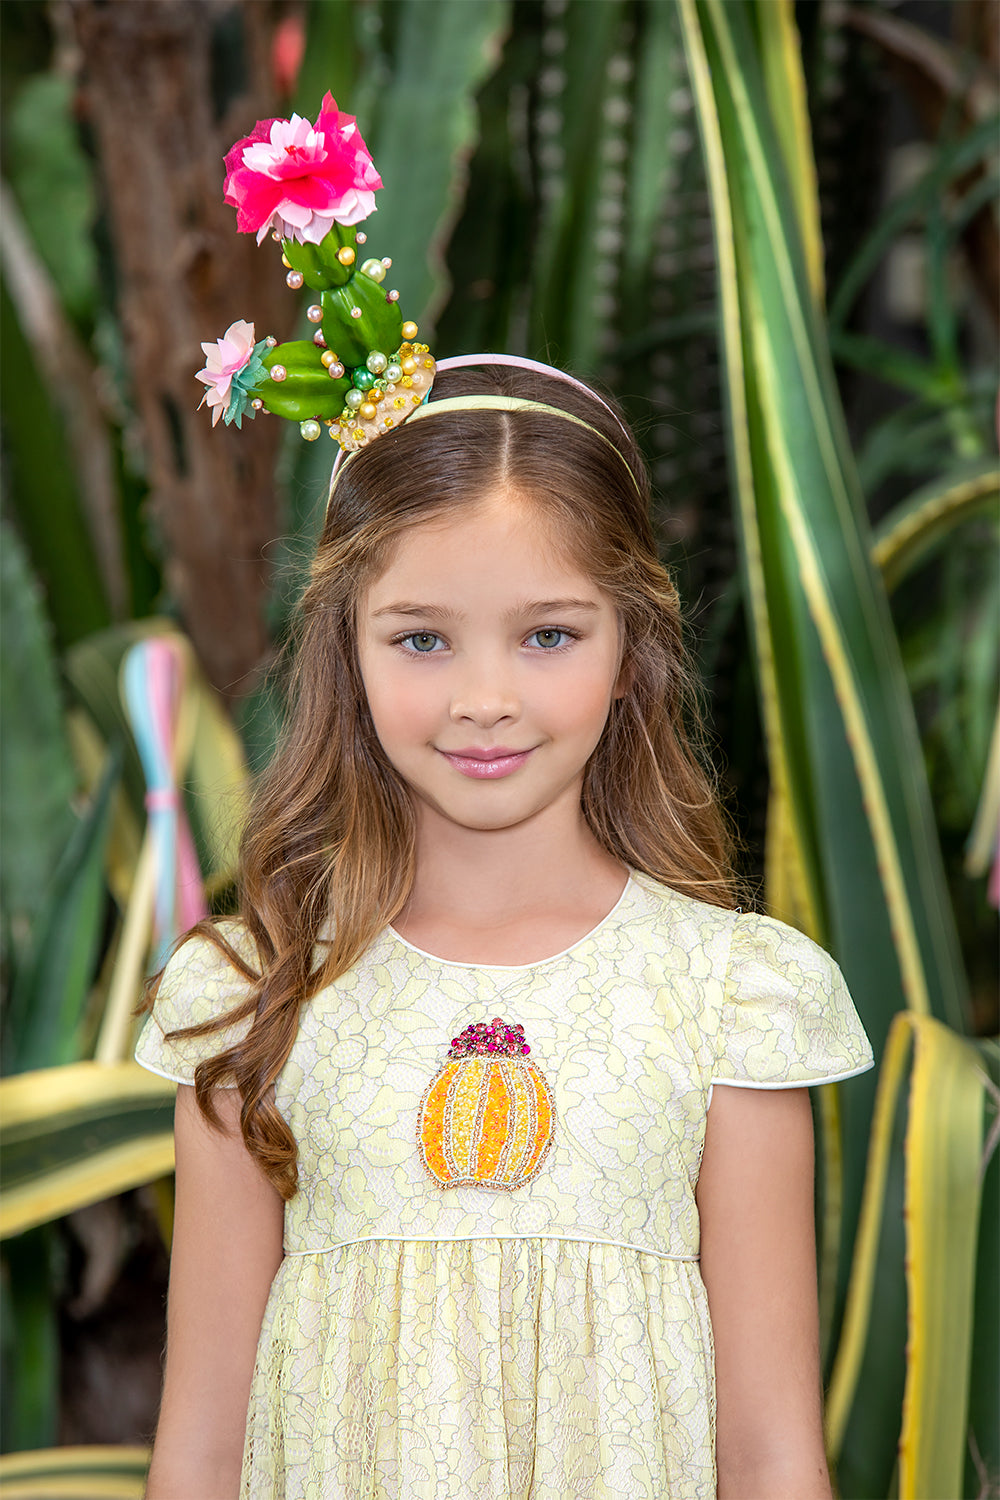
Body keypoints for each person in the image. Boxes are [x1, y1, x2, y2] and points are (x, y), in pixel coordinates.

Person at [135, 94, 873, 1500]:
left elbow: (776, 1452)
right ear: (345, 654)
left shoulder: (731, 998)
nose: (485, 698)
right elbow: (200, 1445)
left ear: (633, 652)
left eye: (547, 634)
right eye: (422, 638)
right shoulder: (251, 997)